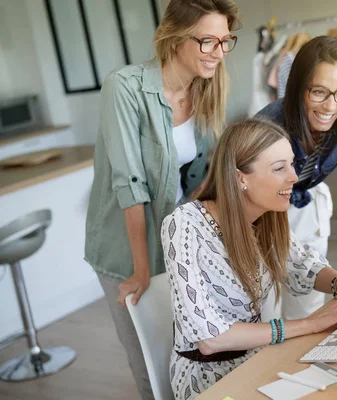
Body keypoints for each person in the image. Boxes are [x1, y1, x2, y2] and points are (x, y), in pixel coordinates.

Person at [84, 1, 241, 398]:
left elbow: (202, 180)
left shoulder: (206, 89)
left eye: (224, 42)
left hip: (178, 245)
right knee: (151, 368)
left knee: (191, 355)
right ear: (173, 36)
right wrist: (141, 270)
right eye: (207, 41)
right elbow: (130, 184)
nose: (218, 53)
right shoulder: (125, 87)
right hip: (127, 251)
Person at [161, 118, 337, 399]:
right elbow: (211, 339)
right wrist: (310, 324)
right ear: (240, 178)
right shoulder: (184, 225)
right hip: (210, 382)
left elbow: (303, 265)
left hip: (262, 358)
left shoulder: (267, 214)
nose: (294, 177)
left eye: (292, 164)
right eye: (279, 168)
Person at [256, 36, 337, 320]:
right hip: (260, 216)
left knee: (307, 306)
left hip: (307, 207)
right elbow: (248, 199)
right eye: (319, 92)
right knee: (265, 311)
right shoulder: (267, 127)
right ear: (298, 89)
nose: (331, 106)